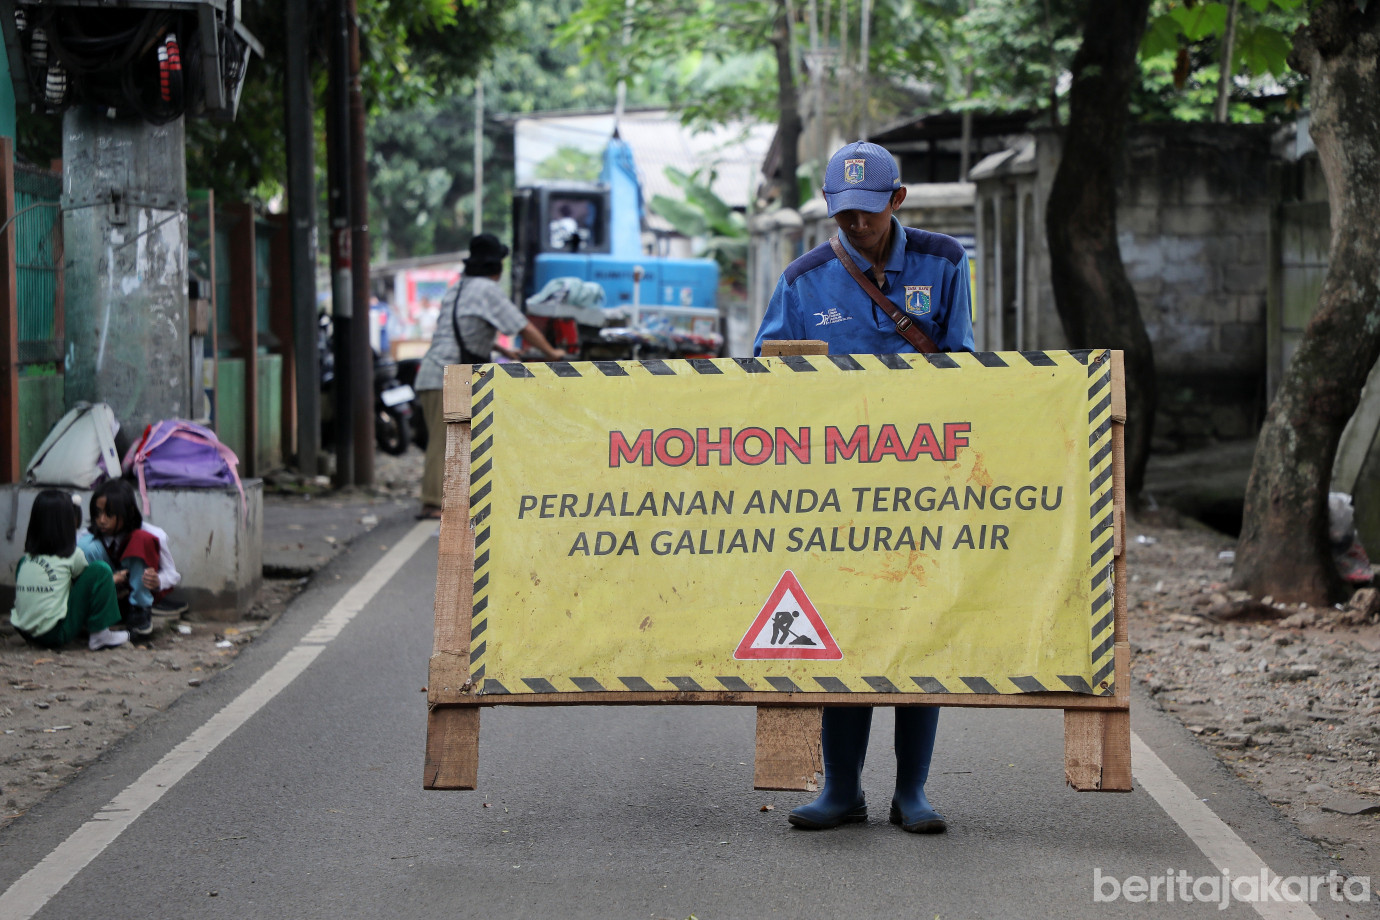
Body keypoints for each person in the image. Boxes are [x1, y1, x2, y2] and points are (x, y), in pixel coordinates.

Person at [754, 141, 975, 835]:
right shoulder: (802, 279)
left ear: (898, 201)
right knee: (842, 633)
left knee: (917, 632)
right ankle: (841, 790)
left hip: (921, 486)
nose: (857, 226)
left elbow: (964, 364)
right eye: (844, 215)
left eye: (869, 214)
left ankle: (912, 793)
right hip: (832, 495)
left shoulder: (944, 262)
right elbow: (767, 378)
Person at [415, 233, 568, 520]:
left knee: (457, 437)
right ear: (496, 267)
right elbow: (521, 325)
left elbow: (463, 328)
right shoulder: (487, 289)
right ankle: (433, 501)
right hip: (445, 375)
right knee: (444, 440)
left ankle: (453, 497)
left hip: (436, 371)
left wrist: (501, 349)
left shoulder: (458, 288)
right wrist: (552, 351)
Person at [11, 489, 128, 651]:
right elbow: (88, 585)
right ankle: (100, 634)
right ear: (67, 523)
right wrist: (112, 579)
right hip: (54, 633)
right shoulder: (73, 555)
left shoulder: (27, 560)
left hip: (23, 630)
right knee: (101, 570)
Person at [79, 479, 181, 640]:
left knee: (141, 540)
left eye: (109, 514)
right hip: (106, 599)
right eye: (97, 513)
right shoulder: (86, 536)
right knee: (85, 546)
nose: (102, 520)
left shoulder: (153, 534)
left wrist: (158, 581)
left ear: (127, 513)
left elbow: (172, 575)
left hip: (136, 600)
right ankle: (96, 614)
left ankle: (141, 615)